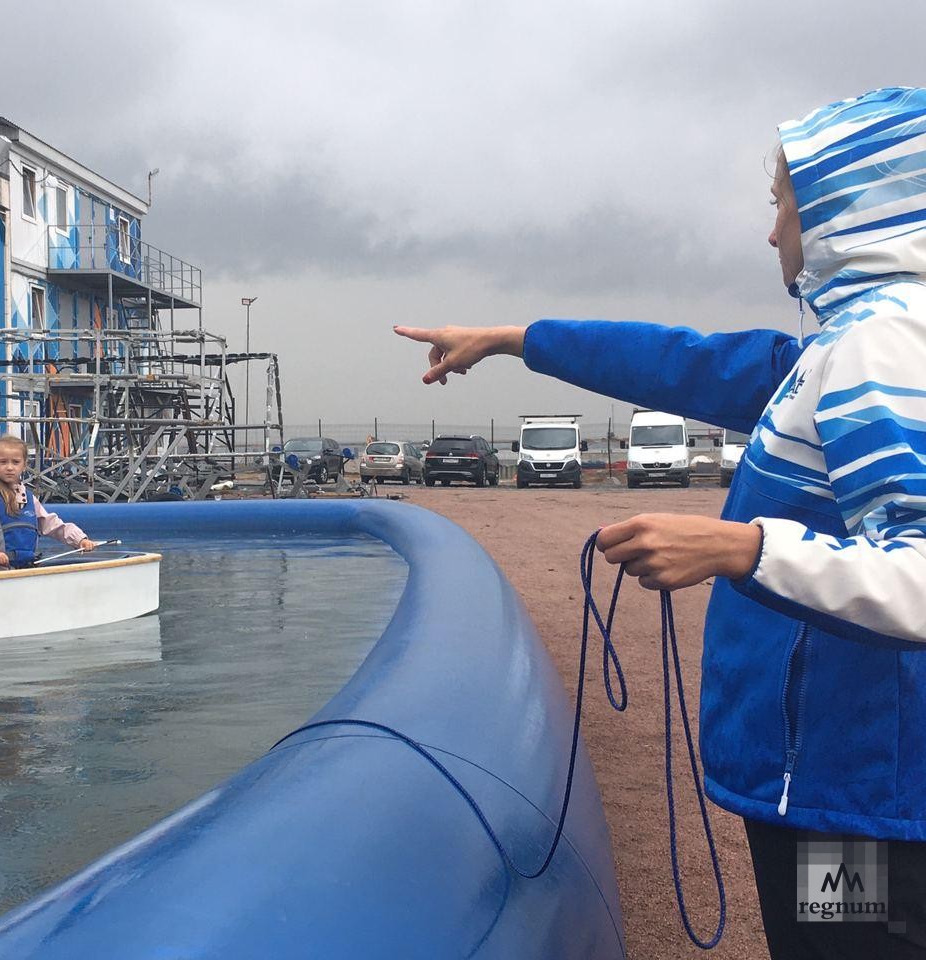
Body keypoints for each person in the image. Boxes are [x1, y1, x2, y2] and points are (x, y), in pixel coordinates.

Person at [396, 87, 926, 956]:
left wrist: (740, 548)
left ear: (847, 202)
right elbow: (683, 362)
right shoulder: (843, 345)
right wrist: (513, 338)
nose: (772, 231)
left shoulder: (883, 345)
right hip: (837, 792)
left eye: (782, 202)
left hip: (855, 809)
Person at [0, 435, 95, 568]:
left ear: (24, 465)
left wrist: (79, 539)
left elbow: (51, 524)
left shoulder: (29, 498)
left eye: (15, 462)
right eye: (3, 462)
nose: (9, 467)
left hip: (26, 568)